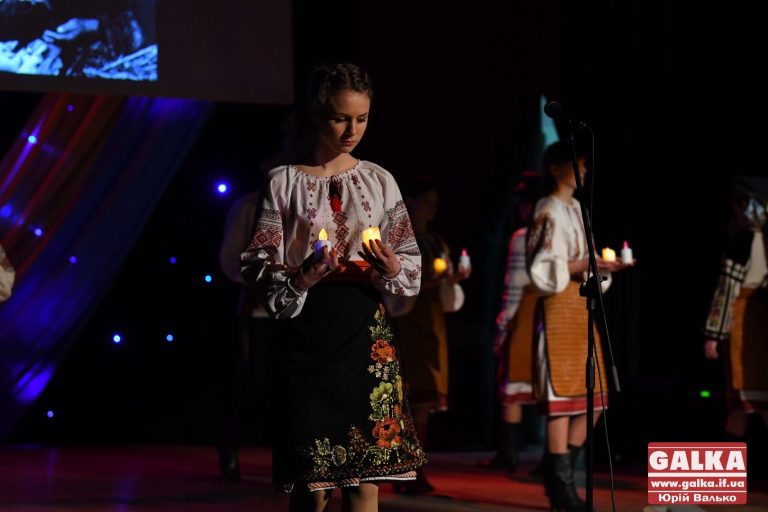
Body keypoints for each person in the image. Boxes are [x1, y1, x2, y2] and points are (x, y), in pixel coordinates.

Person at [240, 62, 426, 512]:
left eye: (361, 119)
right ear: (317, 115)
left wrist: (389, 265)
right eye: (341, 117)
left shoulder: (380, 180)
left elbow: (412, 266)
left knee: (365, 480)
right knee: (313, 482)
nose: (351, 130)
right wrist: (301, 276)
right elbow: (257, 260)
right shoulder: (284, 181)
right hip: (307, 333)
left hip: (364, 331)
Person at [526, 141, 630, 512]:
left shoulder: (576, 209)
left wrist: (600, 268)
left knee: (595, 399)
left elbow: (581, 262)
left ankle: (560, 476)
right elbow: (539, 264)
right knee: (561, 403)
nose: (583, 172)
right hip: (557, 306)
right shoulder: (548, 208)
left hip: (579, 307)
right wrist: (578, 264)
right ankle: (562, 486)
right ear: (556, 168)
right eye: (577, 165)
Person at [389, 177, 470, 494]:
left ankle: (415, 464)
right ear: (412, 200)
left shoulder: (436, 241)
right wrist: (431, 281)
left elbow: (443, 285)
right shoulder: (401, 238)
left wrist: (453, 277)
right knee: (411, 395)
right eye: (428, 200)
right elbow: (396, 284)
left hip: (432, 322)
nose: (433, 207)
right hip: (410, 322)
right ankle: (405, 467)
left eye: (436, 201)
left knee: (425, 400)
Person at [217, 176, 280, 481]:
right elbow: (231, 258)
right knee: (254, 381)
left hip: (297, 309)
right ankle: (230, 445)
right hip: (260, 310)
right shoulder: (248, 206)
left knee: (291, 384)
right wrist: (260, 275)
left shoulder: (301, 201)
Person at [702, 177, 767, 456]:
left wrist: (713, 335)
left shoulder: (745, 239)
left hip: (752, 322)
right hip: (751, 323)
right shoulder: (749, 239)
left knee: (750, 399)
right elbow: (727, 291)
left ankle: (728, 473)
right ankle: (728, 475)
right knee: (742, 403)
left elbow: (727, 291)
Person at [488, 170, 545, 474]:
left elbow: (515, 283)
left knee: (513, 381)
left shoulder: (523, 237)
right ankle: (552, 457)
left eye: (524, 202)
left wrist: (503, 324)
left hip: (526, 312)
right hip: (552, 313)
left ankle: (508, 454)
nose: (521, 209)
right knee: (546, 385)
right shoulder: (556, 232)